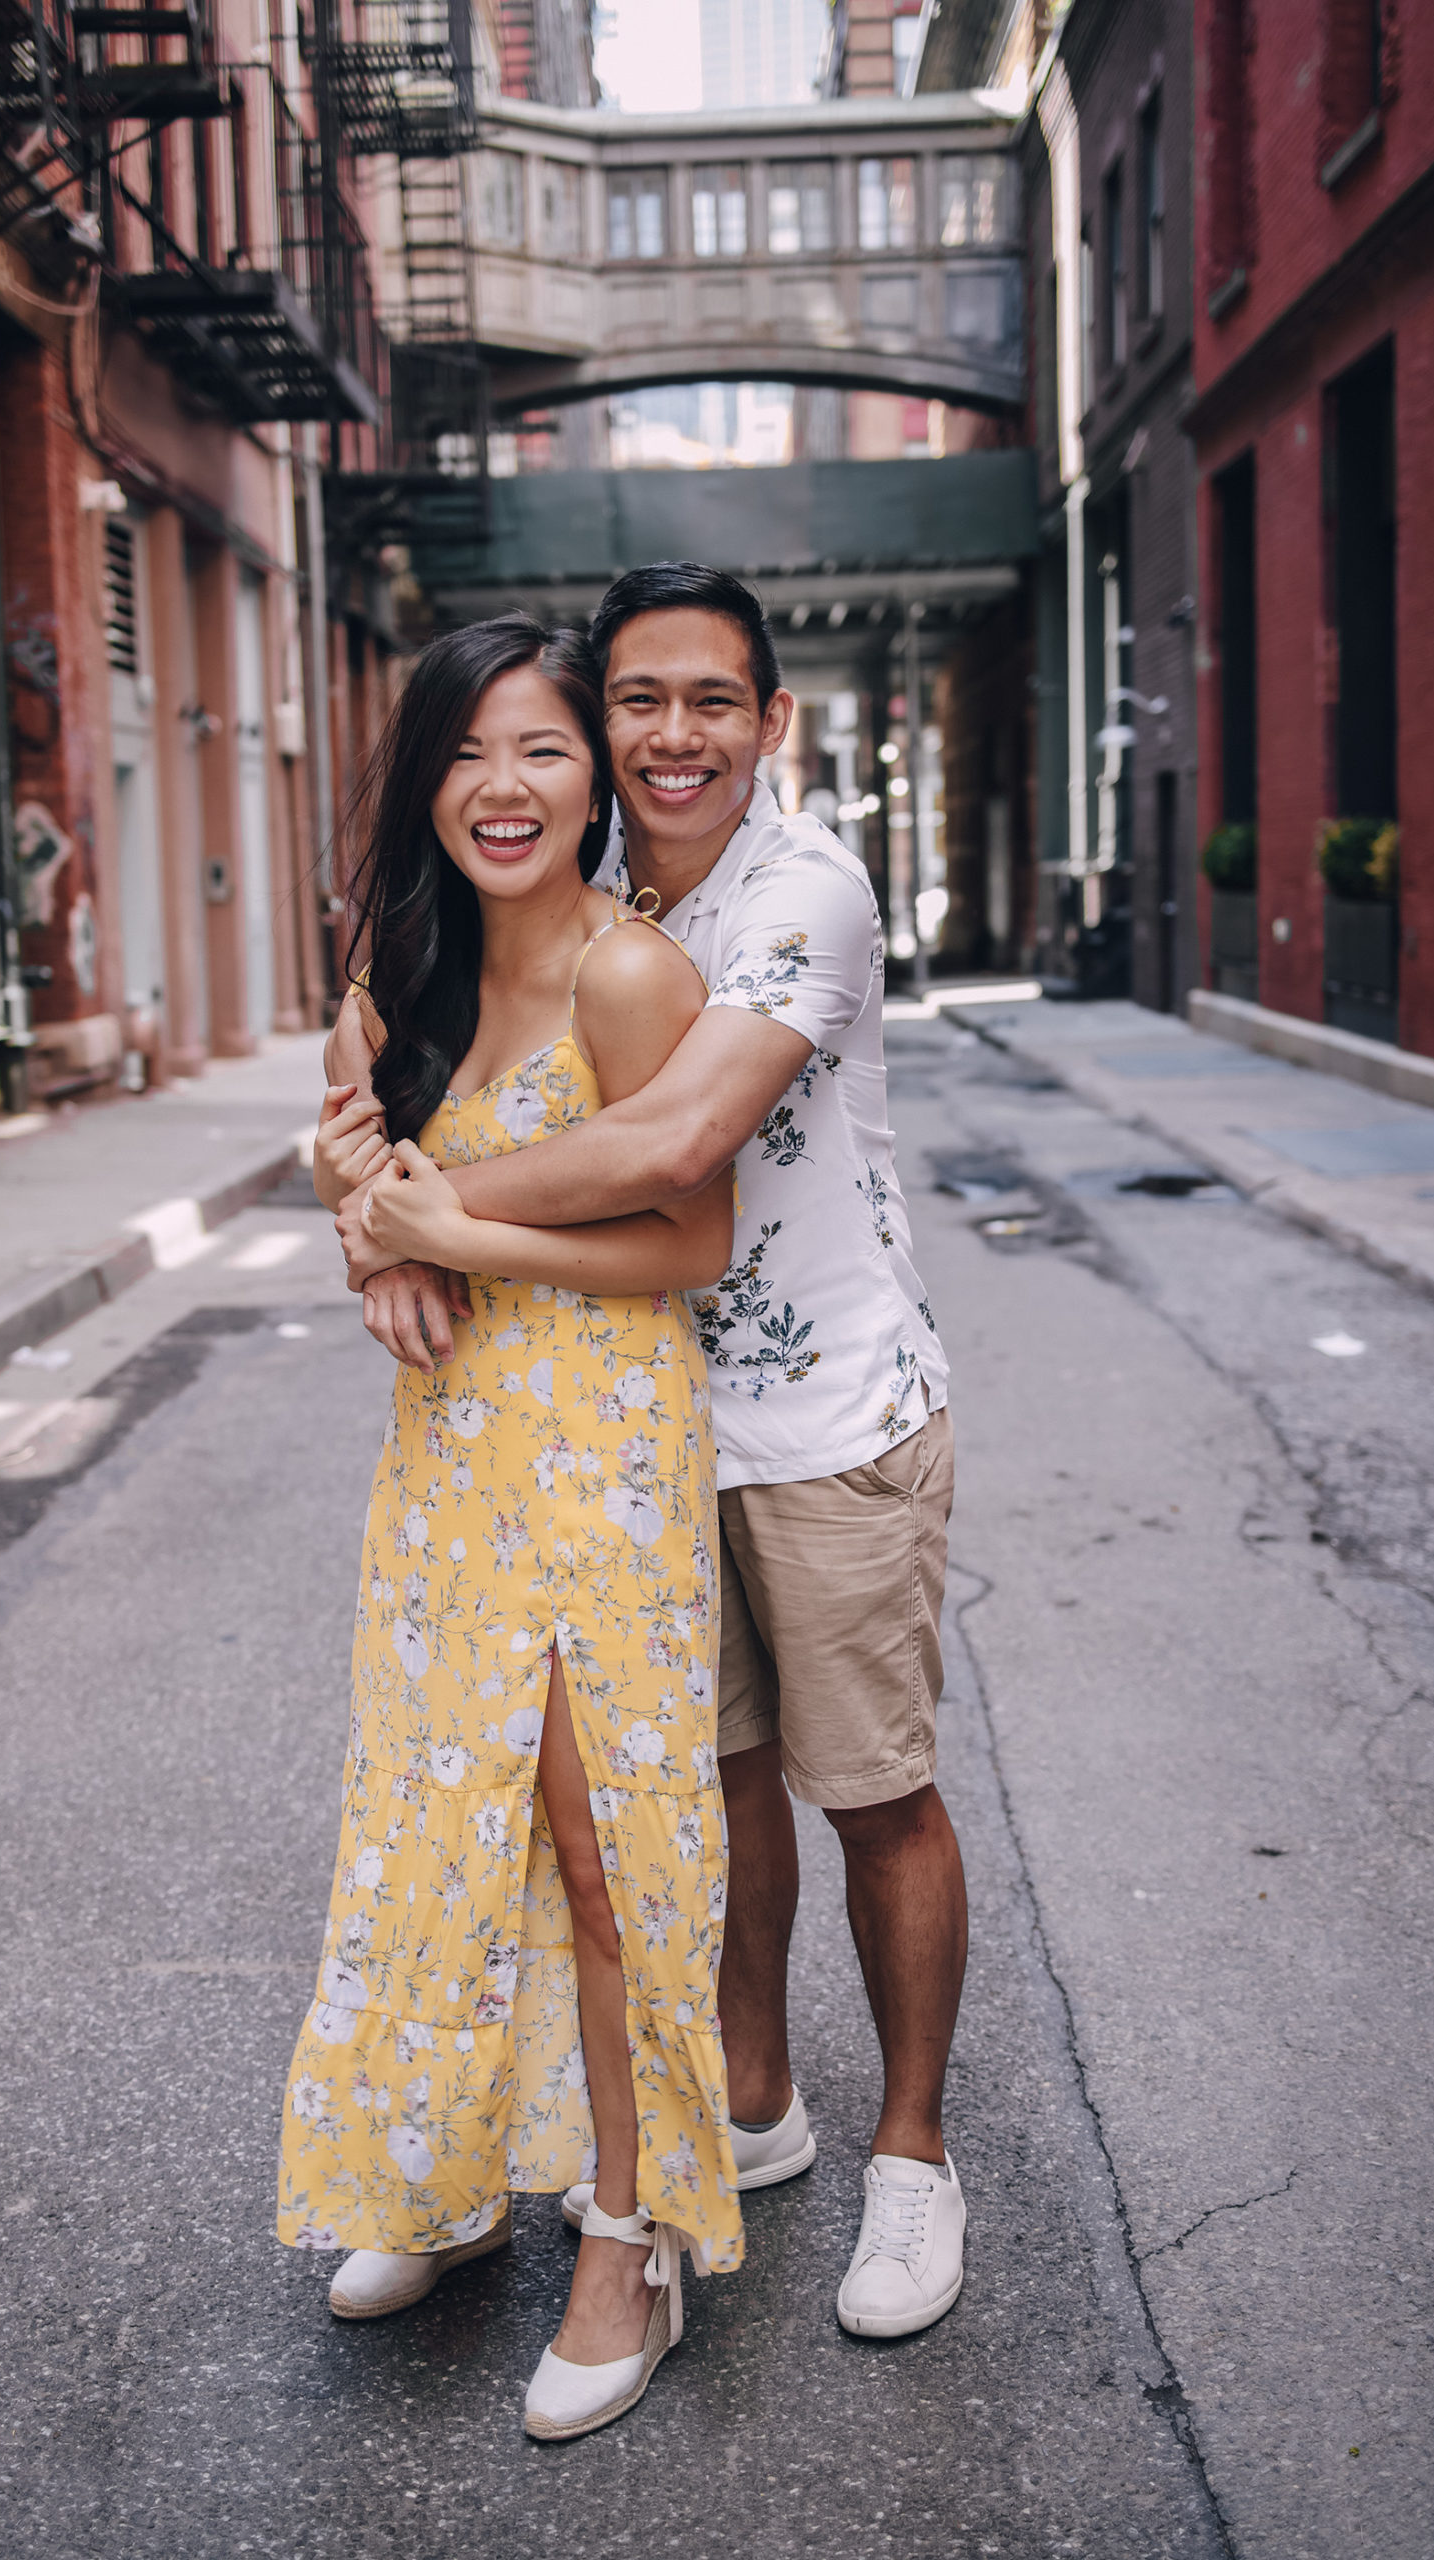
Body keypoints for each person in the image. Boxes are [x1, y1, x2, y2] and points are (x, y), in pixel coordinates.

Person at [343, 563, 969, 2342]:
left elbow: (679, 1136)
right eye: (638, 703)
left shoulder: (805, 894)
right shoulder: (584, 878)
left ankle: (912, 2158)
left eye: (711, 701)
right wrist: (372, 1207)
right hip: (631, 1429)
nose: (671, 735)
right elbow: (403, 1071)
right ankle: (750, 2105)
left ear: (771, 722)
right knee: (702, 1787)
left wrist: (418, 1214)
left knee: (873, 1792)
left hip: (828, 1419)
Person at [278, 614, 743, 2444]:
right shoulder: (391, 975)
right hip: (446, 1472)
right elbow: (349, 1158)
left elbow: (690, 1245)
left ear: (594, 777)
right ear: (424, 780)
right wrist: (361, 1232)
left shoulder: (635, 979)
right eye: (467, 753)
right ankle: (442, 2175)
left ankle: (629, 2239)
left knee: (596, 1841)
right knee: (442, 1817)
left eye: (545, 749)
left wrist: (448, 1236)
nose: (504, 788)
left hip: (604, 1458)